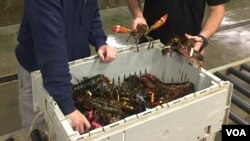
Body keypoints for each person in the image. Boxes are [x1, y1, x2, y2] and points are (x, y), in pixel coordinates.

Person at [16, 0, 116, 134]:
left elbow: (91, 14)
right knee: (37, 130)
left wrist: (99, 41)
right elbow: (51, 48)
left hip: (69, 70)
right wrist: (67, 106)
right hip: (38, 71)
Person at [127, 0, 229, 52]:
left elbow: (217, 10)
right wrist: (138, 15)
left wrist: (203, 37)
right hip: (149, 42)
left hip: (188, 46)